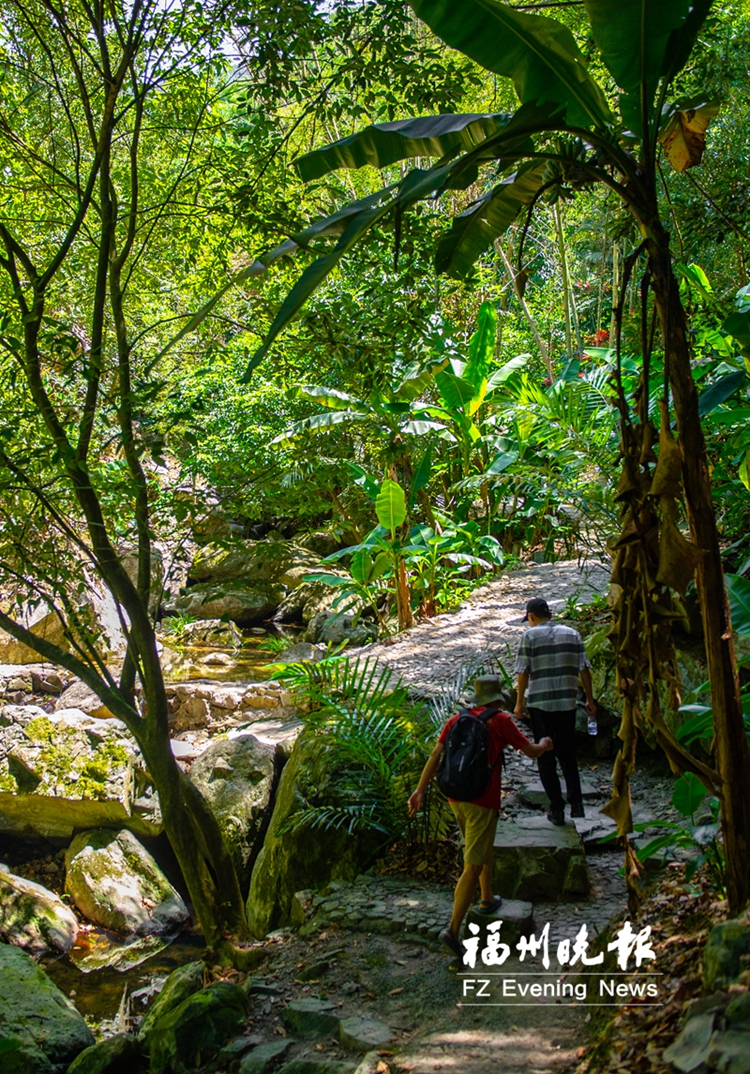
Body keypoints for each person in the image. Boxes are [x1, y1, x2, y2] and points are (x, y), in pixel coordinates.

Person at [408, 674, 553, 958]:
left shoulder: (456, 719)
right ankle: (452, 929)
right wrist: (546, 744)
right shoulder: (500, 721)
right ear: (498, 698)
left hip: (455, 795)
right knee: (472, 864)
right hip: (482, 799)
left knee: (481, 844)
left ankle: (487, 898)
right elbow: (531, 751)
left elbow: (436, 755)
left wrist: (420, 790)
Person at [513, 597, 597, 826]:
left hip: (540, 704)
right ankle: (577, 804)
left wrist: (519, 703)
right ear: (549, 614)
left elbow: (523, 672)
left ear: (530, 617)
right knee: (568, 754)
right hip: (567, 703)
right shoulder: (573, 634)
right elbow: (584, 669)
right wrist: (590, 699)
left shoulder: (529, 636)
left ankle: (557, 808)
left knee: (545, 756)